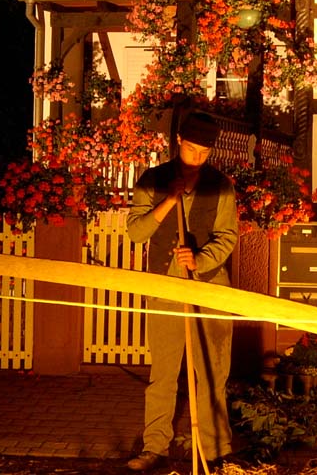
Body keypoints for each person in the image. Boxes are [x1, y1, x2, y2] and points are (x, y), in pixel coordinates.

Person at [125, 110, 239, 471]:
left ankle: (216, 448)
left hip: (210, 288)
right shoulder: (152, 181)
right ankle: (155, 447)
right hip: (164, 286)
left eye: (204, 153)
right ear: (178, 142)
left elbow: (228, 236)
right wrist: (168, 202)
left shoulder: (220, 186)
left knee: (212, 371)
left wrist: (201, 259)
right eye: (192, 150)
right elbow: (135, 233)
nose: (197, 158)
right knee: (163, 374)